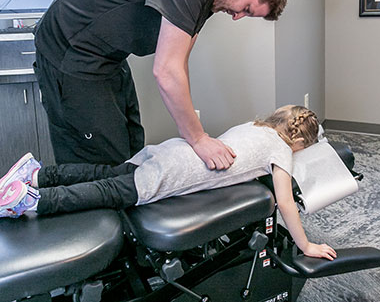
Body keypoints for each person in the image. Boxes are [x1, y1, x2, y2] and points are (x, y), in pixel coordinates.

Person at [34, 0, 289, 169]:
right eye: (246, 8)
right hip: (70, 55)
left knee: (131, 145)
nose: (237, 17)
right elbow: (166, 71)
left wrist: (192, 131)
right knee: (99, 162)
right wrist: (198, 138)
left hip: (108, 56)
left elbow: (179, 62)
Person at [0, 105, 336, 260]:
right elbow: (286, 202)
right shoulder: (282, 151)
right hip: (180, 172)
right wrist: (306, 246)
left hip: (174, 149)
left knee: (109, 173)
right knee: (112, 192)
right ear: (299, 144)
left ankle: (38, 175)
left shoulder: (255, 125)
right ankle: (32, 201)